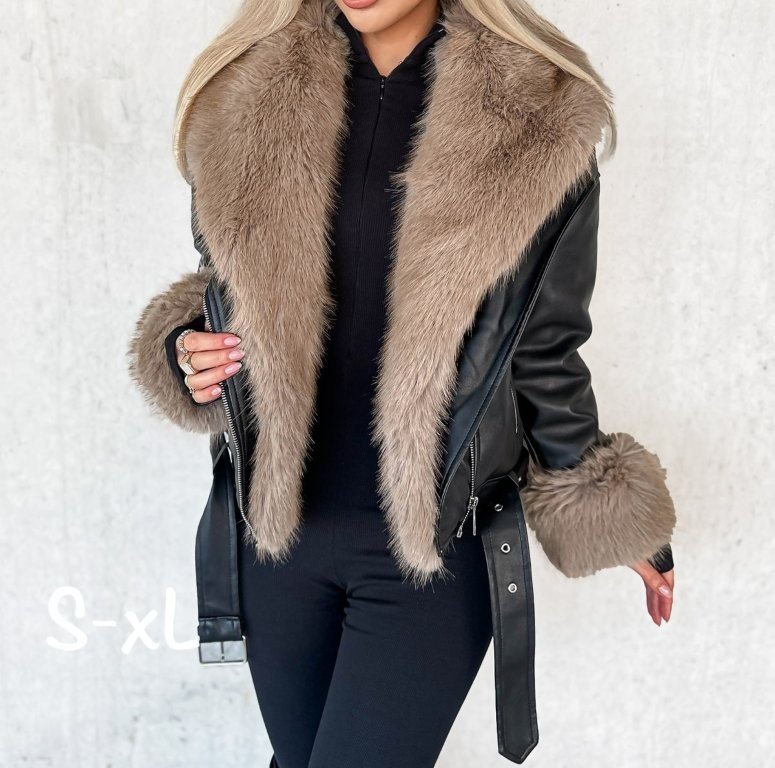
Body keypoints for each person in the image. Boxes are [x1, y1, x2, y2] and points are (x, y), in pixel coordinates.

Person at [128, 0, 677, 765]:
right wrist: (184, 352)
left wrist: (611, 514)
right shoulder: (243, 94)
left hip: (431, 555)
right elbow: (220, 290)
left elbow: (545, 345)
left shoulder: (540, 118)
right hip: (276, 544)